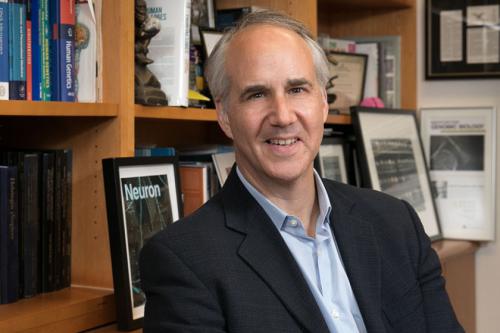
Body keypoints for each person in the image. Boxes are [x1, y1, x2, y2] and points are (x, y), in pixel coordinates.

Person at [140, 10, 464, 333]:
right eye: (257, 94)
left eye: (297, 89)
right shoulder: (183, 261)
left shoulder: (395, 223)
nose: (282, 116)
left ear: (323, 103)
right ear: (224, 115)